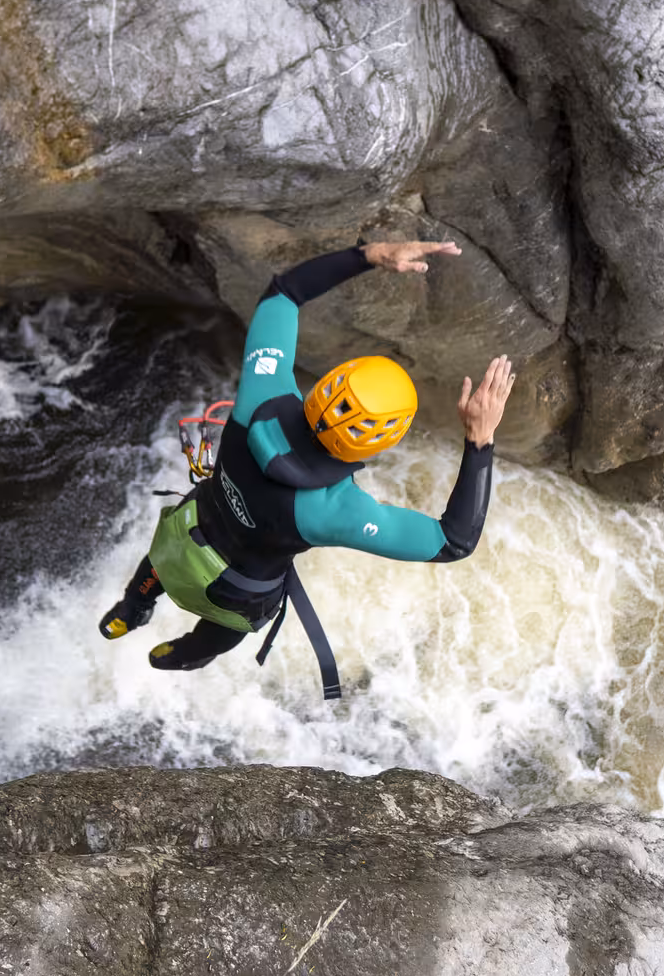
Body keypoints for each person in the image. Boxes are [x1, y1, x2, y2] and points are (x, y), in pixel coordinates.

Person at [98, 239, 515, 675]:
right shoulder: (336, 511)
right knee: (222, 631)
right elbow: (453, 542)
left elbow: (283, 293)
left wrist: (369, 255)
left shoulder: (261, 394)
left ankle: (130, 610)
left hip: (182, 541)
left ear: (331, 383)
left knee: (160, 564)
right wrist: (480, 438)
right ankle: (182, 655)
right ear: (379, 443)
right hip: (234, 597)